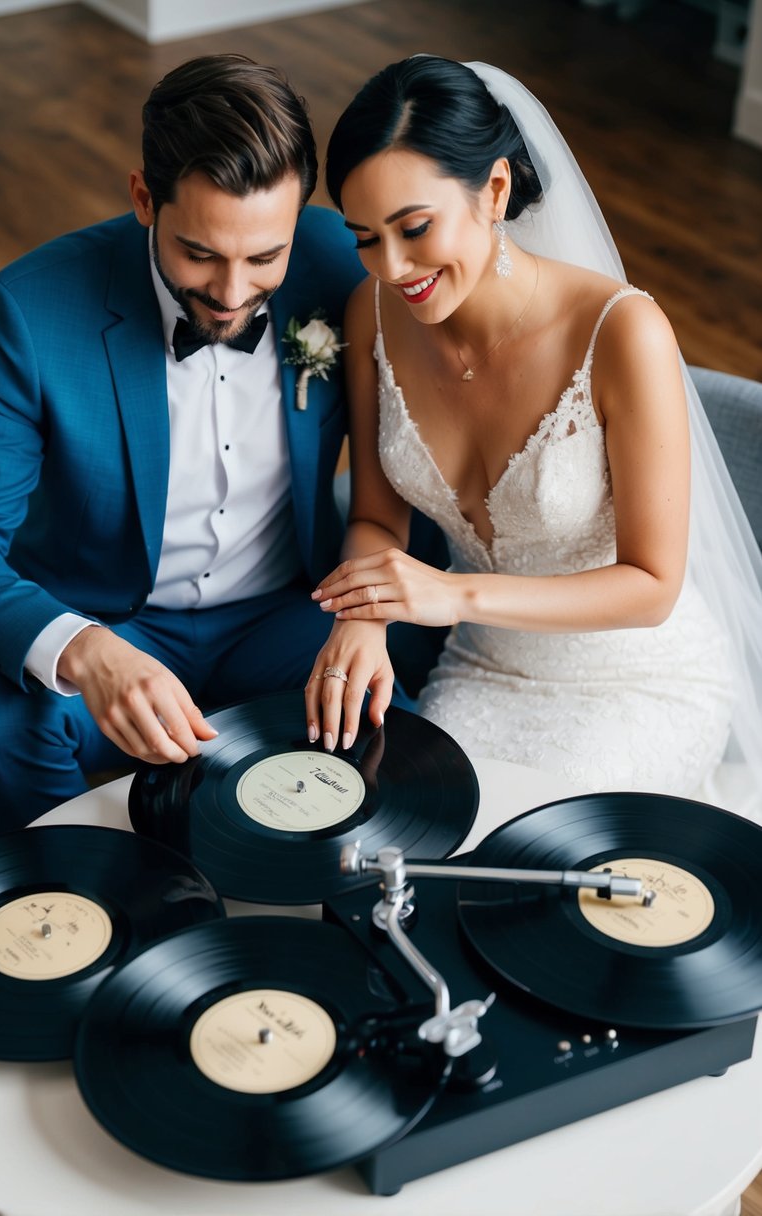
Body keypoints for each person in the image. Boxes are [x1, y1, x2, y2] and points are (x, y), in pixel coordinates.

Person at [0, 53, 446, 837]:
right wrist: (87, 651)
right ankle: (82, 905)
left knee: (400, 761)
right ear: (145, 197)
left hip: (289, 615)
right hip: (110, 618)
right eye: (200, 254)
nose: (234, 293)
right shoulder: (28, 312)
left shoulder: (344, 265)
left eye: (263, 258)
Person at [304, 55, 762, 815]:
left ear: (493, 190)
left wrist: (451, 593)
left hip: (638, 682)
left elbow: (651, 588)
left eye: (413, 229)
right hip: (484, 672)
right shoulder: (372, 313)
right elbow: (377, 518)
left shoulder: (621, 331)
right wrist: (363, 621)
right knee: (407, 842)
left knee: (532, 856)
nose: (392, 266)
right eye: (364, 238)